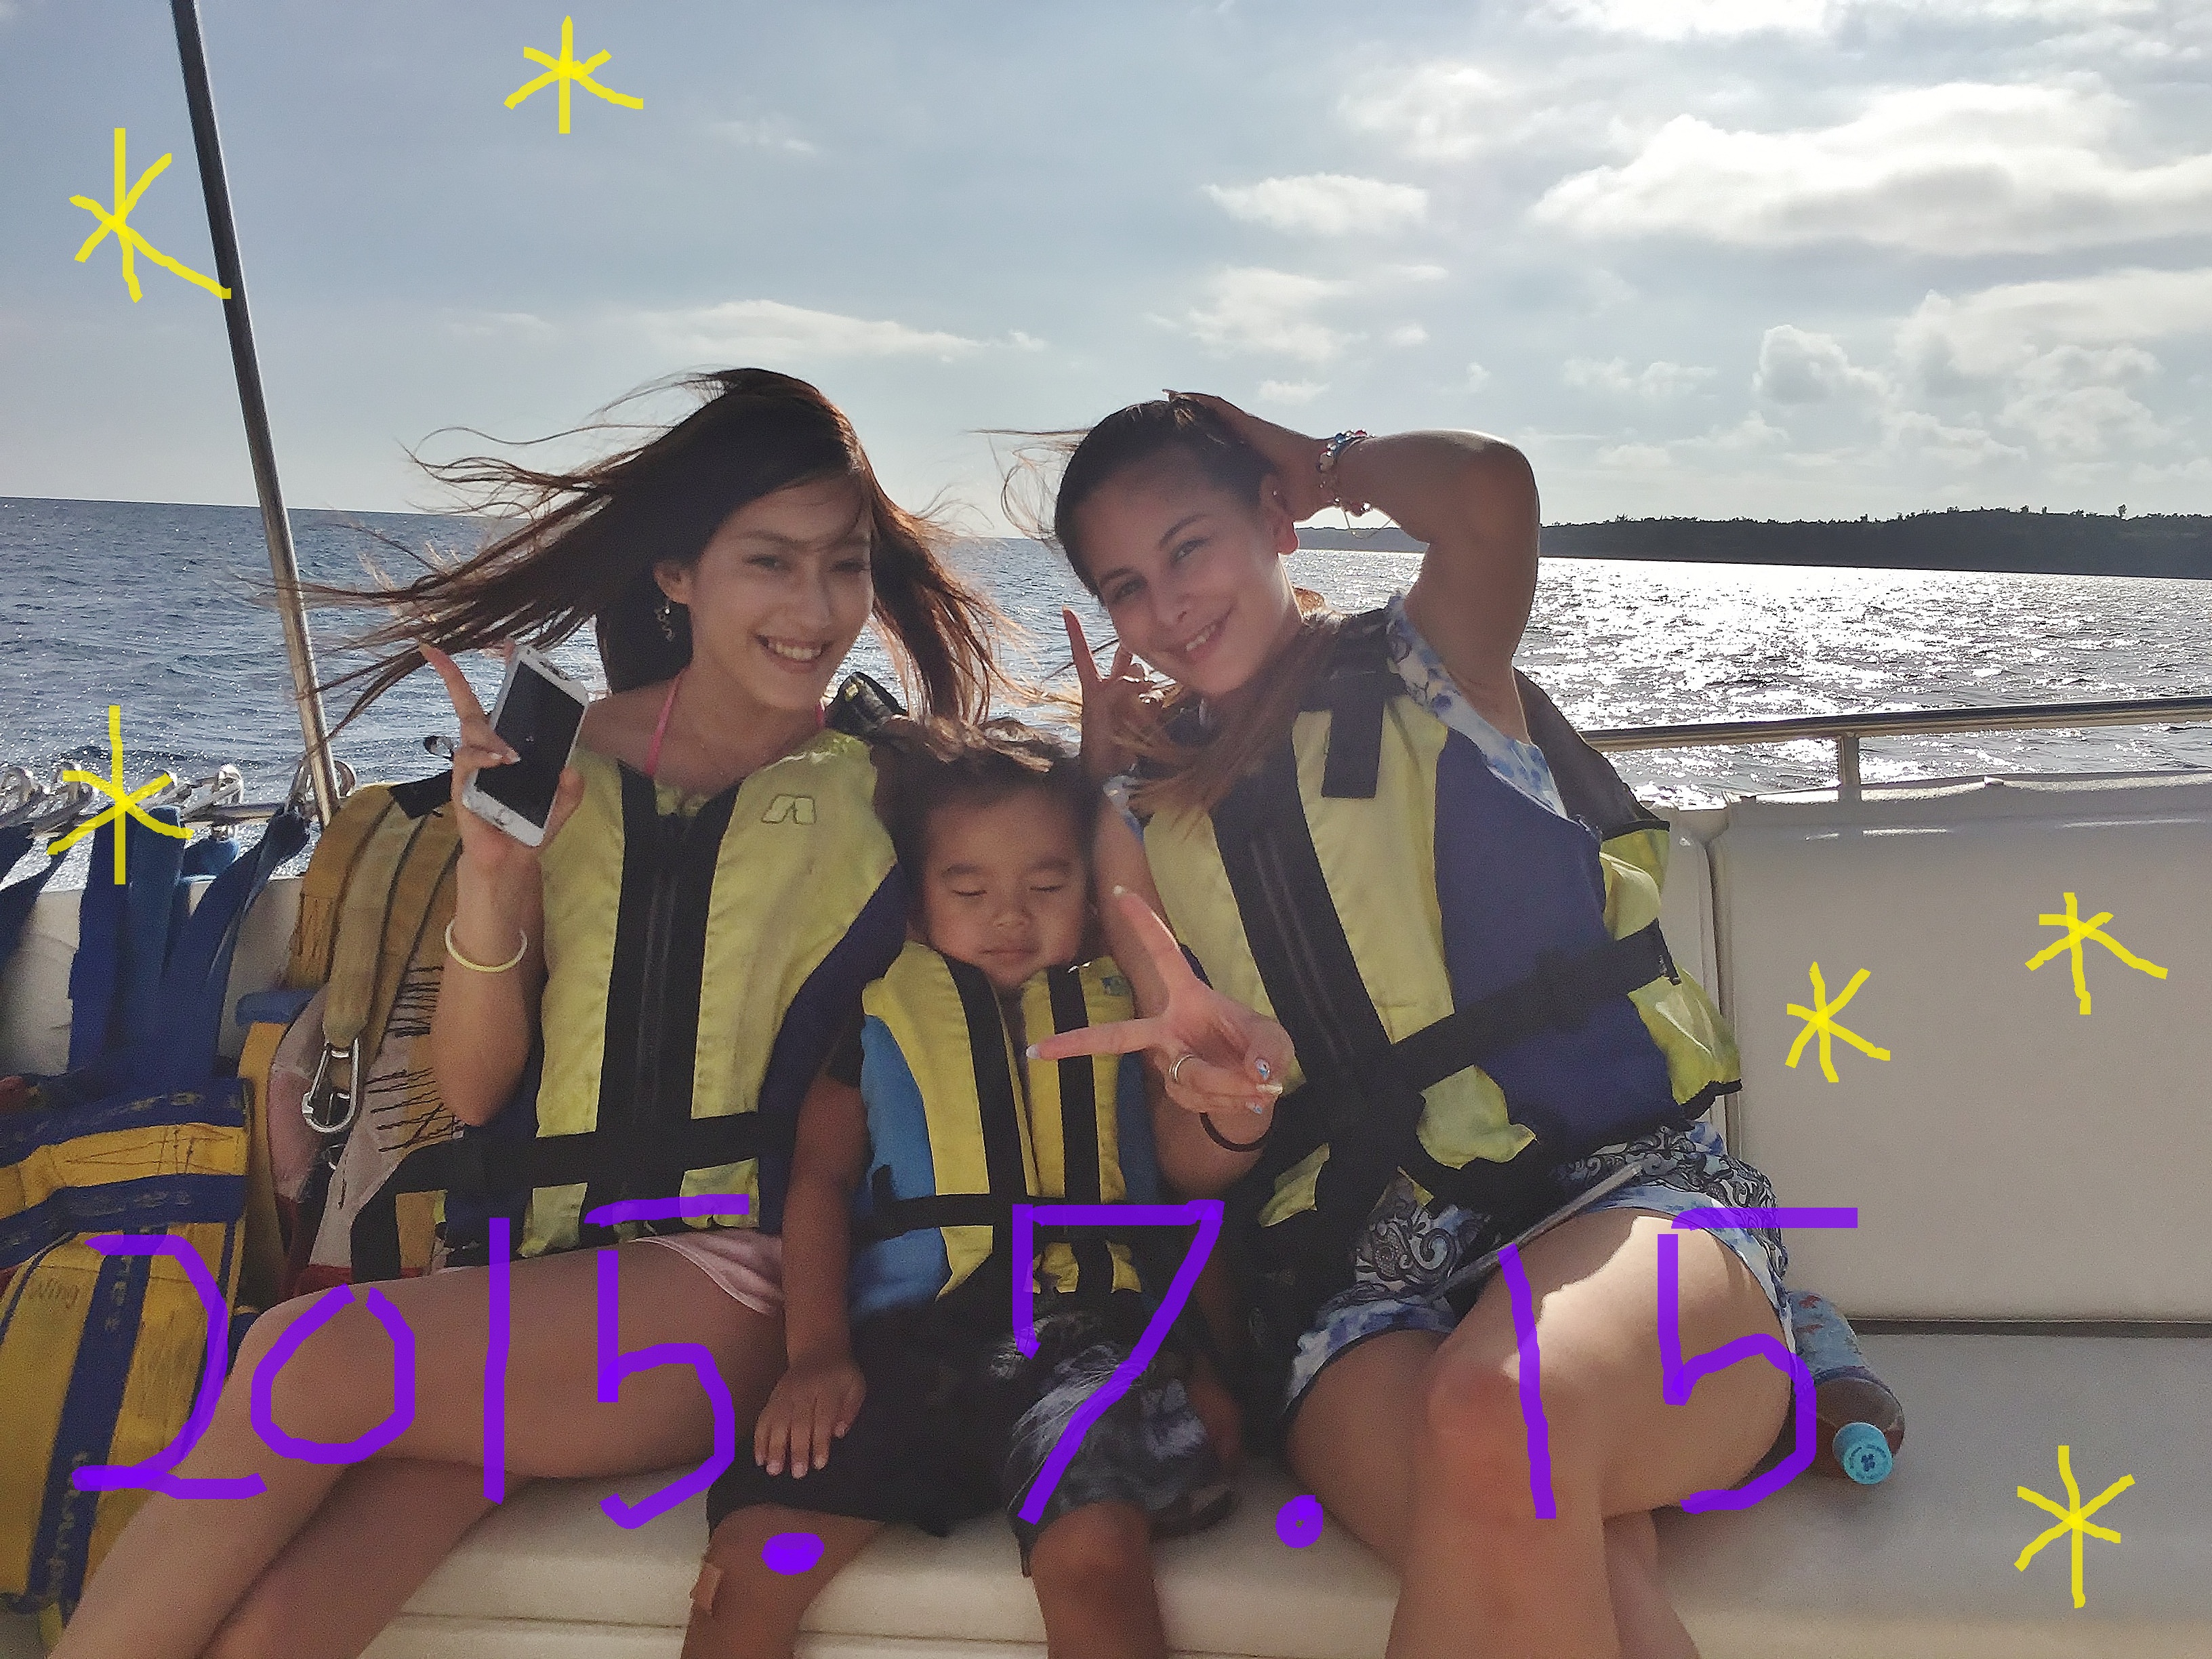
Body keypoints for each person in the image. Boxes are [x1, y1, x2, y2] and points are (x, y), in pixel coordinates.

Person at [53, 369, 1006, 1659]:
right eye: (770, 563)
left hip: (753, 1289)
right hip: (539, 1279)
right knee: (281, 1622)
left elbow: (1043, 899)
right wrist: (495, 881)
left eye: (845, 566)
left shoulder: (894, 786)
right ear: (677, 573)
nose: (817, 609)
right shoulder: (559, 765)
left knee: (303, 1358)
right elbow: (475, 1088)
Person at [1031, 393, 1795, 1659]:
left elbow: (1491, 493)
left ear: (1274, 522)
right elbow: (1189, 1158)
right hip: (1353, 1295)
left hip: (1619, 1198)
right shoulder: (1136, 815)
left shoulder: (1431, 665)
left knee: (1502, 1413)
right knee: (1566, 1540)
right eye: (1127, 588)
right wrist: (1228, 1102)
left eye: (1189, 548)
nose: (1167, 606)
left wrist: (1322, 462)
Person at [685, 720, 1232, 1659]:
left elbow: (1187, 1209)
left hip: (1086, 1346)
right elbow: (818, 1183)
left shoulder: (1138, 1025)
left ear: (1091, 899)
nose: (1009, 917)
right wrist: (816, 1357)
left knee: (1097, 1556)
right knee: (741, 1575)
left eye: (1046, 888)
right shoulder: (875, 1020)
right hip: (908, 1350)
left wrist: (1213, 1370)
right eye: (969, 891)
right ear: (915, 905)